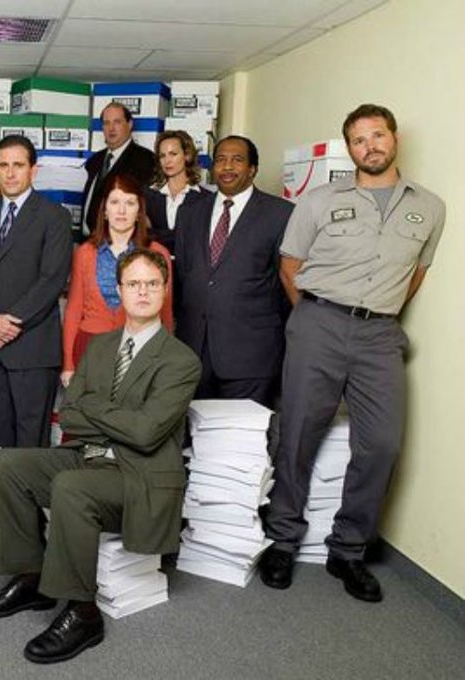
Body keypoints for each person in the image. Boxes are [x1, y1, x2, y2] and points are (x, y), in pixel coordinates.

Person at [0, 249, 200, 664]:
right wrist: (110, 417)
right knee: (8, 464)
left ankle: (83, 612)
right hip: (90, 456)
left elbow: (146, 433)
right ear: (120, 290)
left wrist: (95, 408)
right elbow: (72, 415)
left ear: (165, 290)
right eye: (134, 284)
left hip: (139, 476)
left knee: (71, 487)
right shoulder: (100, 346)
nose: (143, 291)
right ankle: (32, 577)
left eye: (152, 283)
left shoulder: (181, 360)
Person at [259, 104, 445, 603]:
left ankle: (348, 550)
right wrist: (312, 319)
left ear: (394, 138)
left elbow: (415, 274)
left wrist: (378, 310)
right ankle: (283, 539)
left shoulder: (430, 207)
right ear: (350, 149)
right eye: (359, 140)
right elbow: (290, 266)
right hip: (318, 323)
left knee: (381, 444)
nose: (370, 146)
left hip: (379, 334)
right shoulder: (319, 201)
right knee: (298, 434)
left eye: (378, 135)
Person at [0, 135, 73, 448]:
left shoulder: (55, 217)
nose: (10, 173)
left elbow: (51, 279)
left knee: (30, 442)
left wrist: (8, 324)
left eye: (18, 165)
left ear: (33, 170)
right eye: (4, 165)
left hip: (32, 348)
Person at [173, 135, 294, 409]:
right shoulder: (189, 213)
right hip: (193, 352)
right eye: (220, 160)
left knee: (243, 433)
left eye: (237, 160)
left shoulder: (281, 214)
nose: (227, 167)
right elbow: (183, 276)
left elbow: (285, 284)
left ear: (252, 169)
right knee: (193, 432)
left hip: (252, 355)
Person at [62, 173, 175, 388]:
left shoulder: (157, 254)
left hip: (141, 350)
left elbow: (165, 313)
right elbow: (73, 311)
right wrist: (68, 364)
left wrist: (166, 362)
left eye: (130, 203)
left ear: (139, 211)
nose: (121, 211)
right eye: (114, 202)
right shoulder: (86, 253)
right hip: (90, 348)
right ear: (104, 210)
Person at [81, 103, 156, 236]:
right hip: (89, 240)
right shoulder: (94, 160)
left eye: (117, 122)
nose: (111, 128)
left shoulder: (145, 160)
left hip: (121, 241)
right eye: (106, 123)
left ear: (130, 124)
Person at [145, 130, 212, 254]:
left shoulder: (205, 199)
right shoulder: (148, 195)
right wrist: (180, 235)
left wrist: (157, 234)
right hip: (155, 262)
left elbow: (199, 241)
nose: (167, 161)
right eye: (162, 156)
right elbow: (142, 235)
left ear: (187, 155)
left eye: (173, 154)